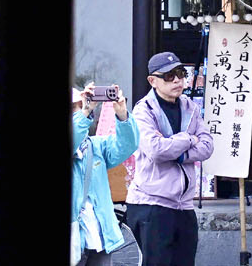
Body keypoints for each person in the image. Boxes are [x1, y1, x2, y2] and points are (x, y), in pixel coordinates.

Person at [124, 52, 213, 266]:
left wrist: (178, 152)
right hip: (151, 204)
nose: (177, 80)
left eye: (180, 74)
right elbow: (156, 150)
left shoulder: (190, 107)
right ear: (152, 81)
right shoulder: (143, 110)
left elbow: (207, 146)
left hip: (184, 205)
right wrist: (188, 139)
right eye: (169, 76)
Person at [73, 83, 139, 266]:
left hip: (99, 236)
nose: (77, 112)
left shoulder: (95, 146)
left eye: (77, 107)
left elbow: (127, 145)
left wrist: (122, 115)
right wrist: (85, 112)